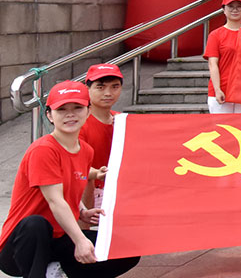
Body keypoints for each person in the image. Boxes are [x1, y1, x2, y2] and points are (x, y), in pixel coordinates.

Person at [0, 81, 140, 278]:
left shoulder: (85, 150)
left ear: (88, 111)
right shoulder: (43, 150)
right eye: (62, 109)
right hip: (20, 247)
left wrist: (82, 211)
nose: (70, 114)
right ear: (49, 115)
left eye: (77, 108)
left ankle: (60, 271)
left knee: (125, 251)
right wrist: (80, 240)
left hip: (58, 239)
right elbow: (55, 200)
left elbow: (71, 185)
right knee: (35, 224)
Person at [80, 64, 121, 210]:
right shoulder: (79, 124)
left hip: (119, 189)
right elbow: (74, 167)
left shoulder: (122, 120)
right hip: (89, 192)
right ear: (87, 89)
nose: (108, 93)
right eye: (100, 87)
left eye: (115, 87)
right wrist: (96, 174)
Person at [205, 0, 241, 113]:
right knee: (222, 125)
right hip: (222, 89)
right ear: (224, 10)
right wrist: (217, 89)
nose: (235, 10)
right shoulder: (216, 35)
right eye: (231, 6)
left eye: (239, 7)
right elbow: (212, 64)